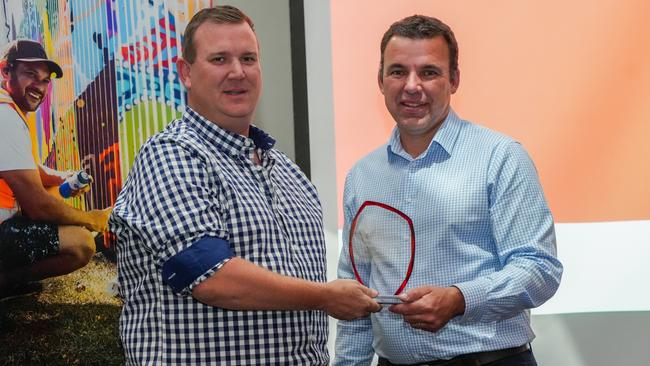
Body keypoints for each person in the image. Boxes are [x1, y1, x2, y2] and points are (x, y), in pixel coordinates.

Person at [109, 5, 380, 365]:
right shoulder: (171, 156)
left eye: (248, 58)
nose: (237, 72)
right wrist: (325, 296)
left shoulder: (289, 173)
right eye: (219, 59)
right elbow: (211, 277)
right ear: (186, 73)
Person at [334, 15, 563, 366]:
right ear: (380, 81)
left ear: (453, 80)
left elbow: (539, 269)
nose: (412, 86)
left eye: (429, 72)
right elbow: (357, 293)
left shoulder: (499, 157)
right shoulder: (362, 177)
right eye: (398, 72)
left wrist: (460, 299)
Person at [0, 39, 111, 298]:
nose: (39, 87)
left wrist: (60, 177)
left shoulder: (7, 107)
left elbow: (18, 163)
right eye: (31, 75)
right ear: (6, 71)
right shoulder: (5, 117)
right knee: (81, 244)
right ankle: (5, 282)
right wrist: (92, 218)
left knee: (51, 191)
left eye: (45, 80)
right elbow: (38, 207)